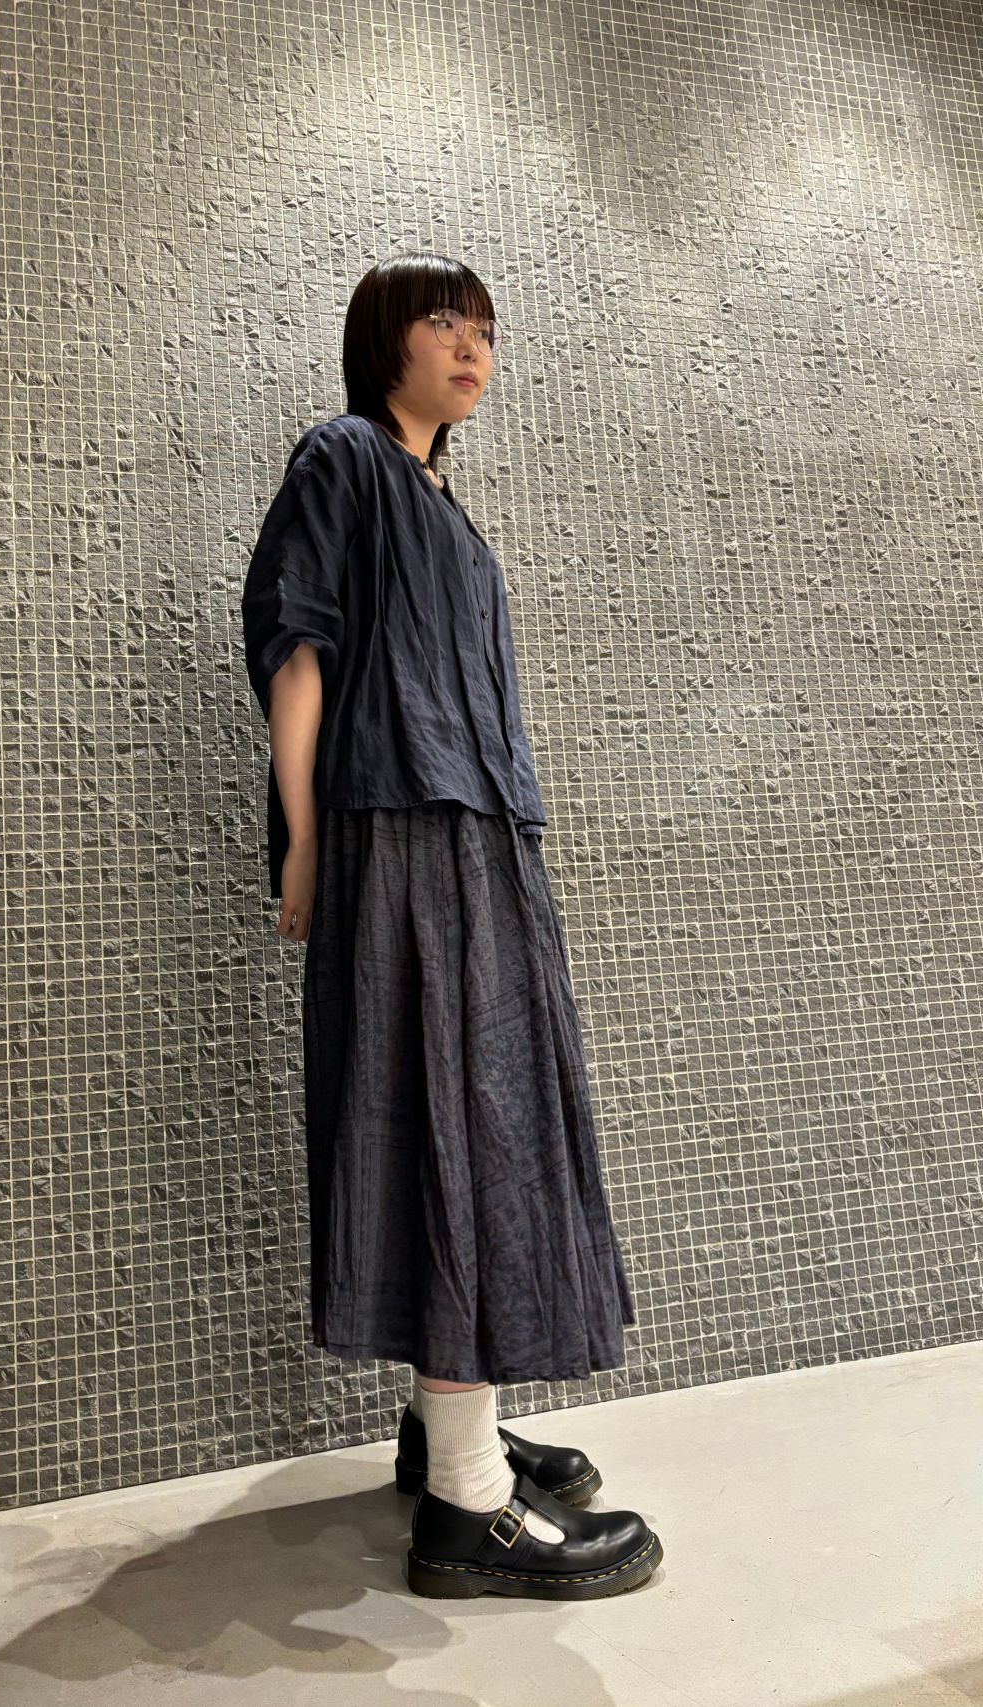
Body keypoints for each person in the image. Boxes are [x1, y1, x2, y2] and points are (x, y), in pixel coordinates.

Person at [240, 251, 663, 1601]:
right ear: (387, 341)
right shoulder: (345, 459)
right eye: (445, 323)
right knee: (452, 1120)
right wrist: (306, 837)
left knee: (487, 1111)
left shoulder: (442, 504)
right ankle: (468, 1510)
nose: (474, 347)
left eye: (485, 327)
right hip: (403, 829)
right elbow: (297, 650)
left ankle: (448, 1429)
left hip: (480, 835)